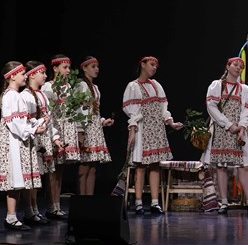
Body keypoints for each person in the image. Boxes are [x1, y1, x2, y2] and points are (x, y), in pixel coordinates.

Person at [202, 57, 248, 215]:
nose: (238, 68)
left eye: (241, 66)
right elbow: (212, 107)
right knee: (221, 165)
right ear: (228, 66)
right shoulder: (217, 85)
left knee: (243, 166)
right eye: (235, 65)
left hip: (238, 130)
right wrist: (228, 124)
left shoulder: (244, 89)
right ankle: (224, 202)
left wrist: (242, 127)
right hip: (222, 129)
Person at [0, 61, 47, 231]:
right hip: (13, 142)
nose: (25, 77)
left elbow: (22, 120)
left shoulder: (16, 95)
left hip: (20, 140)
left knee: (18, 181)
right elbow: (14, 124)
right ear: (12, 76)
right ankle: (11, 217)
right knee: (14, 180)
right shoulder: (10, 96)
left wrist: (36, 124)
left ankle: (14, 216)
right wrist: (33, 130)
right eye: (22, 74)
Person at [122, 56, 184, 214]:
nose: (155, 67)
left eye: (156, 65)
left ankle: (155, 203)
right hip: (143, 129)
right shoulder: (133, 86)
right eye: (152, 64)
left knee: (155, 165)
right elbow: (132, 111)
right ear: (143, 65)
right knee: (141, 166)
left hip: (156, 130)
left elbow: (163, 108)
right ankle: (138, 203)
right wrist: (132, 130)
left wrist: (171, 122)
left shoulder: (156, 85)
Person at [21, 61, 62, 226]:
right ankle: (29, 211)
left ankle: (36, 210)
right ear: (32, 75)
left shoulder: (42, 95)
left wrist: (55, 137)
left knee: (39, 177)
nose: (45, 76)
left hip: (43, 138)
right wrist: (37, 126)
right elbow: (25, 120)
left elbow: (48, 120)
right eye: (42, 73)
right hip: (33, 139)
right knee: (32, 177)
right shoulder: (26, 95)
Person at [41, 54, 80, 215]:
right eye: (65, 67)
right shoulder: (48, 87)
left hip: (66, 128)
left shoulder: (68, 87)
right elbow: (46, 111)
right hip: (55, 128)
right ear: (55, 68)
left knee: (60, 169)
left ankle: (57, 205)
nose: (68, 70)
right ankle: (51, 205)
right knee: (52, 169)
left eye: (69, 67)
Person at [75, 56, 114, 195]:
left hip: (94, 129)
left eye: (97, 66)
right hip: (85, 129)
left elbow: (94, 111)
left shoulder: (95, 88)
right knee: (84, 166)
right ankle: (82, 199)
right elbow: (79, 110)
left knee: (92, 167)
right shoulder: (81, 85)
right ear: (84, 68)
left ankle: (89, 200)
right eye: (93, 67)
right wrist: (80, 131)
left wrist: (102, 121)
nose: (96, 69)